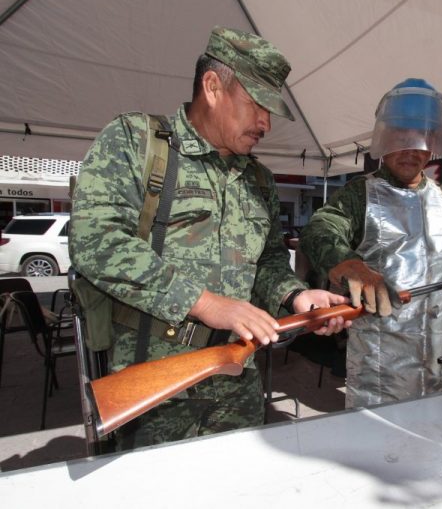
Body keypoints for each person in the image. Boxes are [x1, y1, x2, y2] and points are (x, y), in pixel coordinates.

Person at [69, 26, 349, 450]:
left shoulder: (260, 180)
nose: (266, 123)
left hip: (237, 381)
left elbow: (268, 262)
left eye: (271, 111)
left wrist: (297, 297)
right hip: (154, 384)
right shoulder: (135, 141)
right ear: (213, 86)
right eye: (257, 104)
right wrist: (205, 303)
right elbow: (95, 240)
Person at [300, 78, 442, 408]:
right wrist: (349, 265)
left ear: (432, 143)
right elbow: (320, 228)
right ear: (386, 138)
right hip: (381, 370)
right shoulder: (361, 194)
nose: (410, 150)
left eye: (420, 139)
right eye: (401, 136)